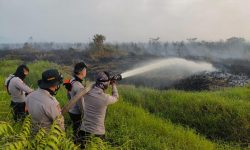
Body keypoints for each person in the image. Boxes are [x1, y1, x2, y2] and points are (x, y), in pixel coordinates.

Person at [78, 71, 119, 147]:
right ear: (105, 84)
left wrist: (105, 82)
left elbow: (93, 87)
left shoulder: (86, 93)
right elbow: (116, 97)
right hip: (98, 133)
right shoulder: (105, 98)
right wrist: (113, 84)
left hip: (83, 130)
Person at [64, 62, 87, 143]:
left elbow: (68, 95)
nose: (86, 71)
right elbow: (81, 104)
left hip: (71, 110)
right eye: (85, 70)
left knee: (75, 127)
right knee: (79, 130)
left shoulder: (71, 80)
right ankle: (78, 144)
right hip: (77, 113)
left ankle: (75, 141)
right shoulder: (79, 86)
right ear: (81, 72)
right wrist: (85, 115)